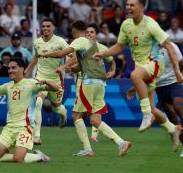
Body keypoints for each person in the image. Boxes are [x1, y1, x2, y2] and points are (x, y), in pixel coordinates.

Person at [92, 0, 183, 152]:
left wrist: (177, 72)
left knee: (135, 76)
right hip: (144, 68)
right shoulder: (126, 24)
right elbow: (120, 45)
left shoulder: (151, 24)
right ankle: (172, 129)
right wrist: (104, 53)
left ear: (141, 7)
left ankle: (146, 115)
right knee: (153, 107)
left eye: (132, 5)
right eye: (127, 4)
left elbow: (169, 46)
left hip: (156, 63)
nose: (128, 7)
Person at [41, 20, 130, 157]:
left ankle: (88, 149)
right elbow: (83, 65)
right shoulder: (94, 44)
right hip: (100, 83)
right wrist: (71, 68)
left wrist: (45, 54)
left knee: (76, 116)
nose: (72, 33)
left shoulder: (80, 40)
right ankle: (121, 143)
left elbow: (62, 54)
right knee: (95, 120)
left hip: (88, 82)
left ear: (75, 30)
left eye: (72, 31)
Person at [0, 57, 58, 163]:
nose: (10, 70)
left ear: (22, 69)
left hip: (25, 128)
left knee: (18, 159)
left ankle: (39, 157)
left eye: (13, 68)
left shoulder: (31, 84)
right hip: (9, 128)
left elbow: (56, 88)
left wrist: (46, 81)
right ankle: (27, 155)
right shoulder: (8, 86)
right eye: (9, 68)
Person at [127, 42, 183, 156]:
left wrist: (180, 75)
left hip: (174, 83)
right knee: (171, 118)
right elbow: (142, 74)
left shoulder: (172, 46)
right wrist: (134, 88)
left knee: (177, 105)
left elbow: (182, 64)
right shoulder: (145, 50)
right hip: (157, 87)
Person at [24, 18, 68, 145]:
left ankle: (63, 114)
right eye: (43, 26)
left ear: (53, 28)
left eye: (48, 26)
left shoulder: (60, 42)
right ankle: (37, 135)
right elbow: (35, 58)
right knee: (38, 102)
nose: (45, 28)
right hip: (40, 77)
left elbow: (72, 56)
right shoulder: (37, 42)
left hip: (56, 80)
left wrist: (64, 67)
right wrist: (27, 72)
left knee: (56, 109)